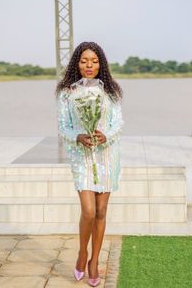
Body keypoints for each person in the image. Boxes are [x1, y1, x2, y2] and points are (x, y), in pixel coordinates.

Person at [55, 41, 124, 287]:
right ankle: (82, 252)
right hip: (82, 155)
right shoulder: (67, 92)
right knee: (89, 211)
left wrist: (106, 135)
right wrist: (78, 137)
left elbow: (118, 123)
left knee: (102, 211)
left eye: (94, 61)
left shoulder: (111, 91)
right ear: (77, 62)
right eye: (84, 60)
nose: (89, 65)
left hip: (107, 155)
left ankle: (94, 260)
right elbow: (63, 126)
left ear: (101, 64)